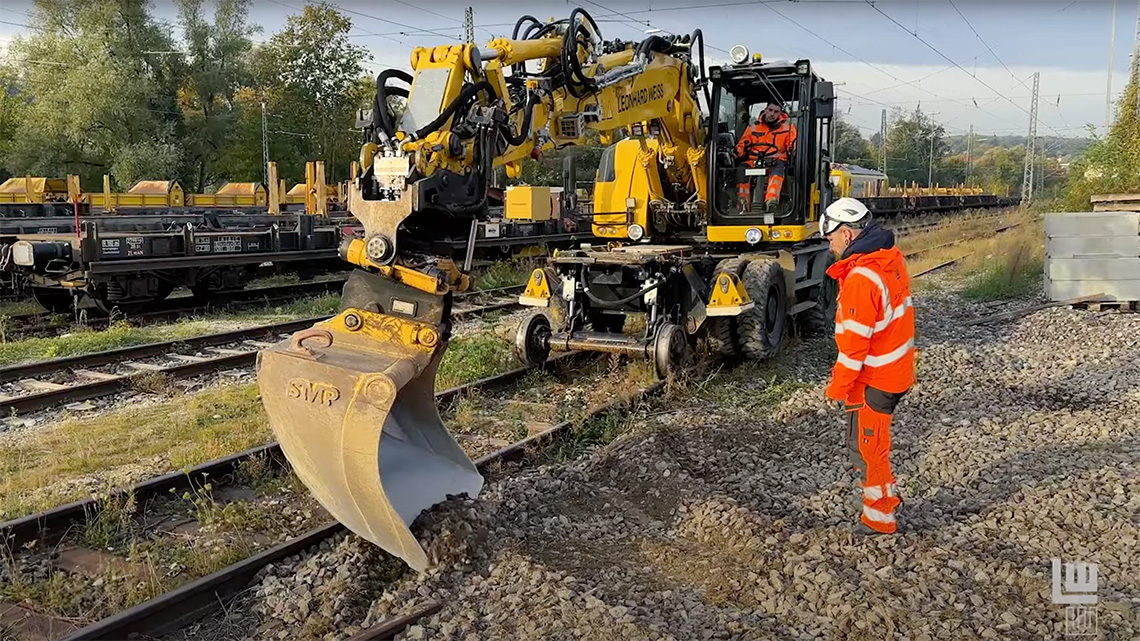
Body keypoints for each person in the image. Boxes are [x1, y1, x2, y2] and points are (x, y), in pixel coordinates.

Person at [820, 197, 916, 534]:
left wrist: (836, 389)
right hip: (894, 370)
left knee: (868, 449)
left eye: (830, 234)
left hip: (876, 377)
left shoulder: (861, 277)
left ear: (847, 234)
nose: (828, 242)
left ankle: (879, 520)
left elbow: (853, 350)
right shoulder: (888, 259)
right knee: (873, 446)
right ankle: (884, 497)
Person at [735, 101, 797, 210]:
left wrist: (794, 149)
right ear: (765, 110)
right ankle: (743, 202)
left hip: (776, 161)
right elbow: (742, 144)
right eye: (770, 110)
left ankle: (772, 201)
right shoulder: (753, 127)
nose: (772, 114)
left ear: (780, 113)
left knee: (778, 170)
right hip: (754, 161)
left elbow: (793, 145)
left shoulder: (789, 128)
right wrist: (737, 153)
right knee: (741, 169)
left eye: (776, 111)